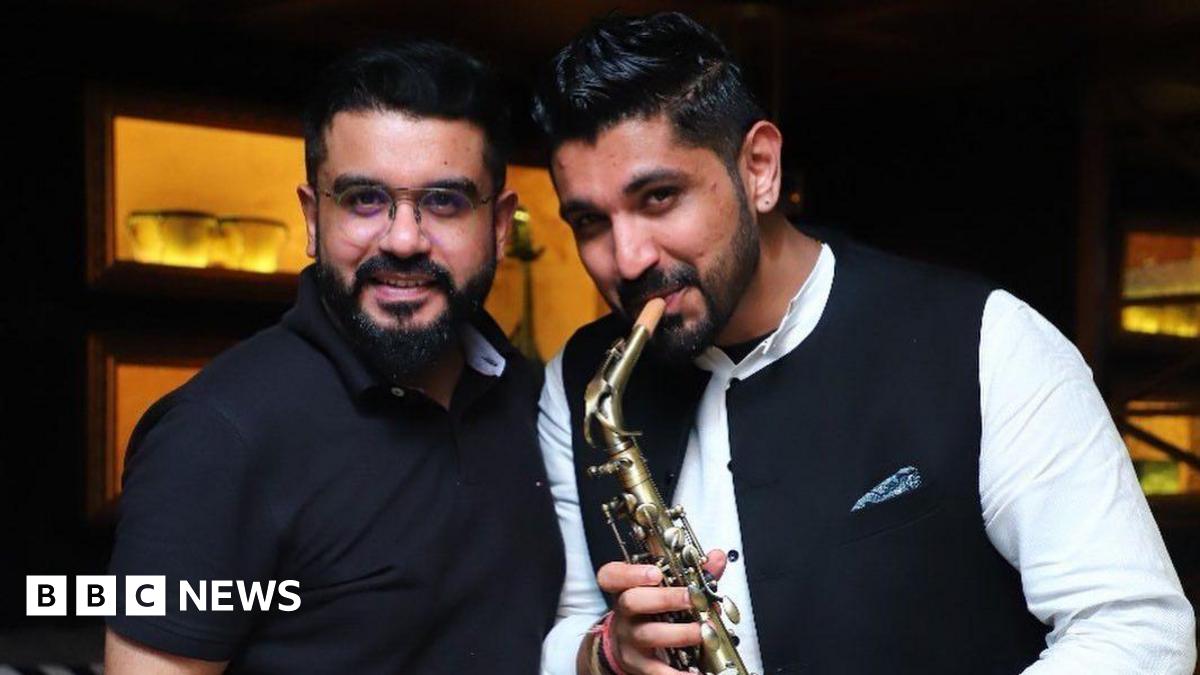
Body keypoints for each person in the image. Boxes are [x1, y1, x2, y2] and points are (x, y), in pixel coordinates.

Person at [532, 12, 1195, 675]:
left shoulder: (988, 339)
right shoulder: (582, 381)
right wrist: (605, 653)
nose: (627, 257)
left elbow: (1140, 631)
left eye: (658, 197)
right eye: (590, 220)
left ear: (759, 168)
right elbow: (566, 625)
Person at [104, 42, 564, 674]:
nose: (404, 239)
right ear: (313, 217)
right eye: (364, 200)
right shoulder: (215, 436)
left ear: (502, 225)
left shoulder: (542, 407)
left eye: (445, 202)